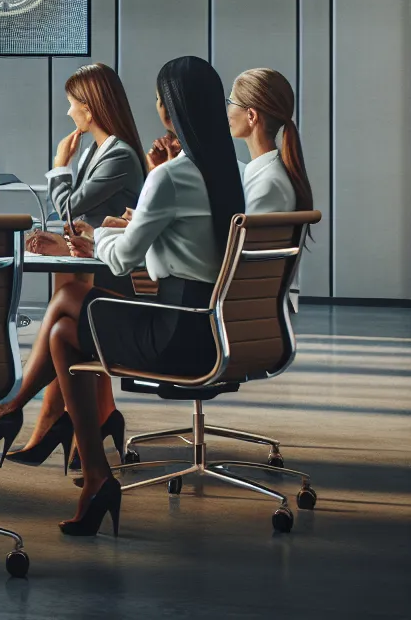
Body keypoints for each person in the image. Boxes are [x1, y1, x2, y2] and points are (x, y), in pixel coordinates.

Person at [28, 55, 247, 536]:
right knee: (68, 321)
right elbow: (175, 250)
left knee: (65, 320)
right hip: (219, 332)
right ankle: (79, 459)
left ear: (169, 110)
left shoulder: (172, 176)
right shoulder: (236, 174)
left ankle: (67, 451)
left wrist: (101, 235)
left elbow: (124, 259)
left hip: (176, 336)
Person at [0, 62, 145, 470]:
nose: (69, 112)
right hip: (98, 266)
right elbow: (83, 223)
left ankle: (22, 413)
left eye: (72, 104)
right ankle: (64, 419)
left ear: (90, 108)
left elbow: (70, 206)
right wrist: (64, 239)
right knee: (64, 306)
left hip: (118, 281)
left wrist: (59, 164)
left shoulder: (121, 156)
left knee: (66, 304)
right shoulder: (97, 151)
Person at [228, 68, 314, 214]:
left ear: (251, 116)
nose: (228, 110)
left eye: (230, 102)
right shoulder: (265, 175)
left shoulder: (267, 185)